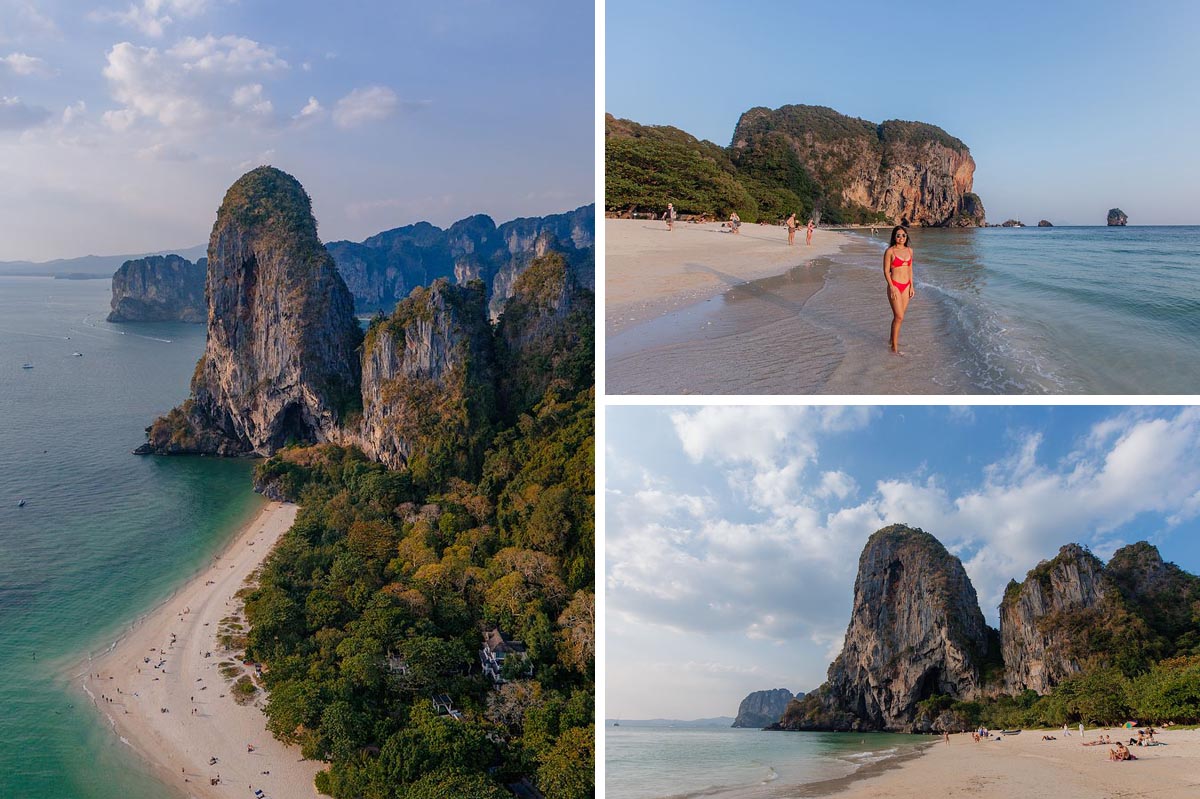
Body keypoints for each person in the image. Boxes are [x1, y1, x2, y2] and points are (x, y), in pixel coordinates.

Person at [884, 225, 915, 354]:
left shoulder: (910, 251)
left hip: (906, 286)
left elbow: (910, 269)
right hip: (895, 285)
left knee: (898, 317)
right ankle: (894, 349)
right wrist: (891, 287)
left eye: (903, 235)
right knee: (899, 316)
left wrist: (912, 286)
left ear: (906, 237)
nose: (901, 237)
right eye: (898, 235)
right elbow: (886, 271)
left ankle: (892, 340)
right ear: (894, 237)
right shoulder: (890, 251)